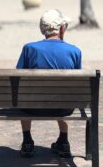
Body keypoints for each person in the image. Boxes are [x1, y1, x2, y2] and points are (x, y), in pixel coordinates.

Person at [16, 9, 82, 158]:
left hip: (32, 108)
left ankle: (27, 142)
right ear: (62, 28)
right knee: (64, 93)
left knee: (24, 95)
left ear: (42, 29)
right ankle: (64, 141)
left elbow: (17, 77)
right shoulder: (75, 51)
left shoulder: (29, 49)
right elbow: (76, 86)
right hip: (63, 108)